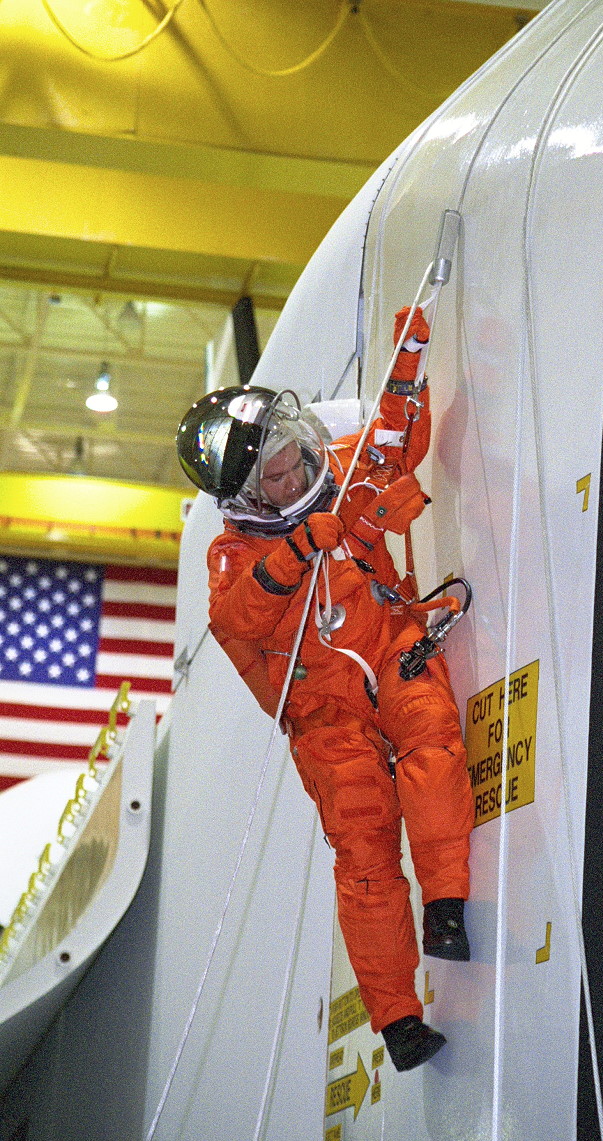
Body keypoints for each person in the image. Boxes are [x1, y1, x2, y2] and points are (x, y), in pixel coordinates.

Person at [176, 308, 474, 1072]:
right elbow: (237, 616)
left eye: (291, 456)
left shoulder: (338, 470)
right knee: (364, 852)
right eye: (274, 477)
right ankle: (397, 1021)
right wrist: (295, 552)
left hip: (388, 646)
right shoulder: (233, 552)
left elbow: (395, 441)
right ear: (248, 495)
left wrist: (408, 358)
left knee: (433, 739)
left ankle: (445, 906)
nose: (293, 476)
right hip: (323, 713)